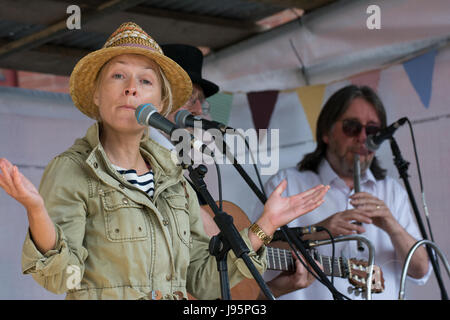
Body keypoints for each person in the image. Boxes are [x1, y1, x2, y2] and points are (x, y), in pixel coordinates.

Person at [0, 22, 329, 300]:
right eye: (118, 76)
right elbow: (61, 280)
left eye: (145, 81)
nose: (132, 89)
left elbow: (201, 281)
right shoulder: (73, 169)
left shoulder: (176, 178)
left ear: (159, 101)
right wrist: (37, 212)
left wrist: (265, 226)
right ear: (97, 95)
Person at [150, 43, 320, 298]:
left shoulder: (186, 177)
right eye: (189, 99)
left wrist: (274, 288)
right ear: (156, 101)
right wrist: (263, 227)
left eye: (202, 104)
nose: (198, 111)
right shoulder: (139, 168)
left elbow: (205, 289)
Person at [249, 85, 431, 300]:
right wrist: (319, 231)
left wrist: (391, 225)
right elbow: (254, 251)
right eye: (352, 127)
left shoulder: (391, 190)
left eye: (372, 130)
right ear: (326, 132)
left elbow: (421, 270)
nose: (363, 138)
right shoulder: (286, 184)